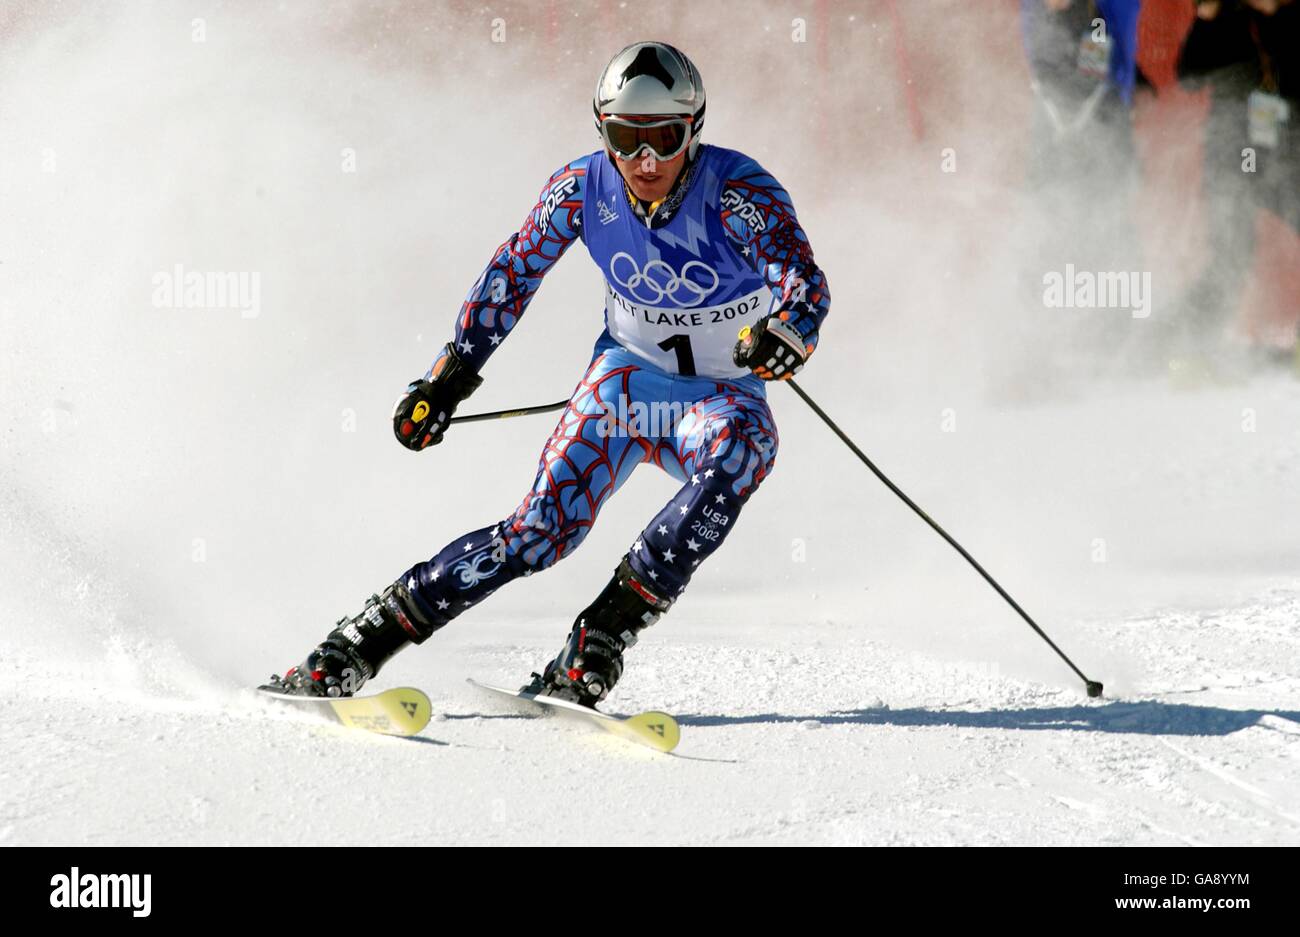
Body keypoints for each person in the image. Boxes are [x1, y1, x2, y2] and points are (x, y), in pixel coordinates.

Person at [264, 41, 831, 706]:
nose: (644, 160)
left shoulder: (739, 193)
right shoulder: (582, 189)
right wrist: (448, 377)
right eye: (626, 137)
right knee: (537, 535)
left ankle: (601, 637)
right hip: (624, 386)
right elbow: (514, 272)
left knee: (742, 454)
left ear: (695, 130)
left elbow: (800, 279)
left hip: (720, 397)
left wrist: (788, 330)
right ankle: (355, 645)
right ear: (603, 132)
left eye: (665, 138)